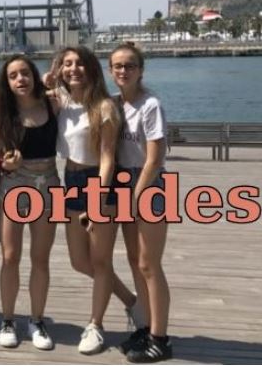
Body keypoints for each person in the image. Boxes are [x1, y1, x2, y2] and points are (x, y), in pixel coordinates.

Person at [48, 46, 147, 354]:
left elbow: (107, 158)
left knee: (101, 260)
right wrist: (49, 77)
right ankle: (132, 301)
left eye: (79, 63)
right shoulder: (62, 101)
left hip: (99, 183)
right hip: (71, 180)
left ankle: (95, 325)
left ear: (91, 68)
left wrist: (99, 199)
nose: (73, 69)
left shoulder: (104, 107)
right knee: (79, 261)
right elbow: (33, 90)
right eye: (67, 64)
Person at [0, 55, 58, 349]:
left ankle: (37, 321)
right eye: (13, 75)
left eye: (25, 73)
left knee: (40, 258)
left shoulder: (52, 104)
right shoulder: (0, 115)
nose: (20, 79)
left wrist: (51, 84)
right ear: (6, 82)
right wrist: (4, 165)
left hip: (48, 184)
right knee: (10, 257)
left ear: (34, 75)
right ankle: (8, 320)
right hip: (13, 185)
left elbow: (80, 95)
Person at [106, 43, 173, 363]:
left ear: (141, 70)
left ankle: (160, 338)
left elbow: (155, 159)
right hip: (123, 180)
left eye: (130, 65)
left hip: (149, 184)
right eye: (118, 66)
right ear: (110, 71)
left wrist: (135, 198)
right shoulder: (113, 104)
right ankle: (145, 326)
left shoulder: (150, 105)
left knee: (150, 264)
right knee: (134, 260)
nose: (124, 71)